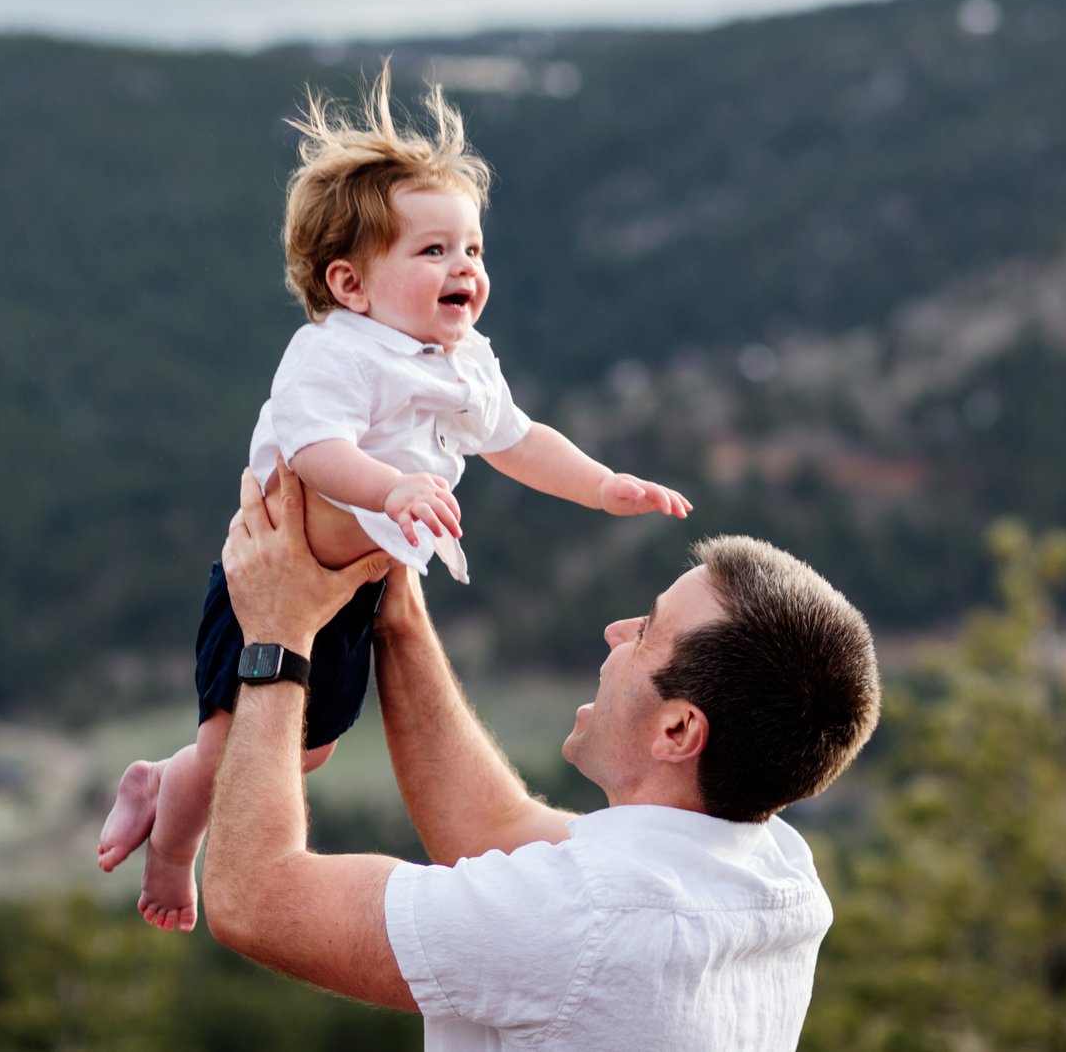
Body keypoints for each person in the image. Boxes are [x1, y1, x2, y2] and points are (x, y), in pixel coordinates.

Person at [99, 70, 691, 931]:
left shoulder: (463, 359)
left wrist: (602, 484)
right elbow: (316, 451)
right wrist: (395, 486)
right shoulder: (336, 353)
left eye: (474, 250)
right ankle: (170, 844)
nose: (464, 268)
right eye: (434, 251)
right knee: (234, 753)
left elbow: (518, 437)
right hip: (272, 583)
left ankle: (163, 773)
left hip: (356, 589)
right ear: (349, 284)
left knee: (309, 750)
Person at [205, 464, 882, 1051]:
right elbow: (492, 832)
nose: (617, 630)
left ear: (678, 729)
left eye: (646, 631)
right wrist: (397, 609)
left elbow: (253, 898)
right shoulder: (779, 876)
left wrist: (279, 631)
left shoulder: (576, 918)